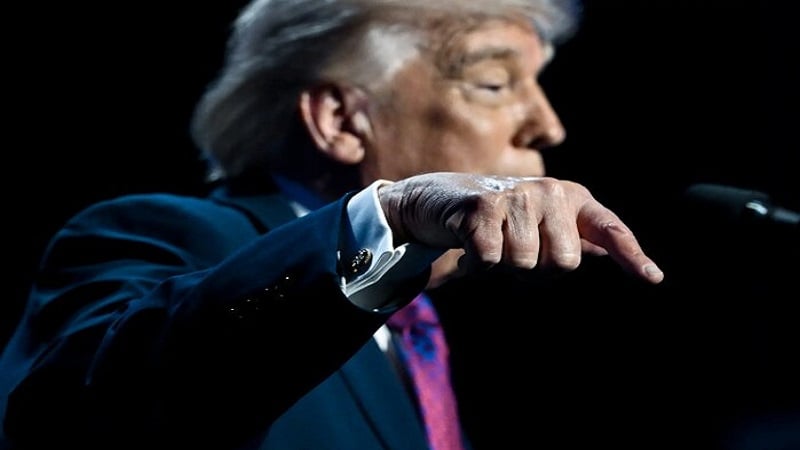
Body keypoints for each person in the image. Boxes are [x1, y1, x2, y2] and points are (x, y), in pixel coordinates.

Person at [0, 0, 665, 449]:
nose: (548, 125)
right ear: (342, 121)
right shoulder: (166, 234)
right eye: (494, 83)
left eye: (539, 86)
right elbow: (71, 419)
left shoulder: (426, 323)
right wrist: (388, 216)